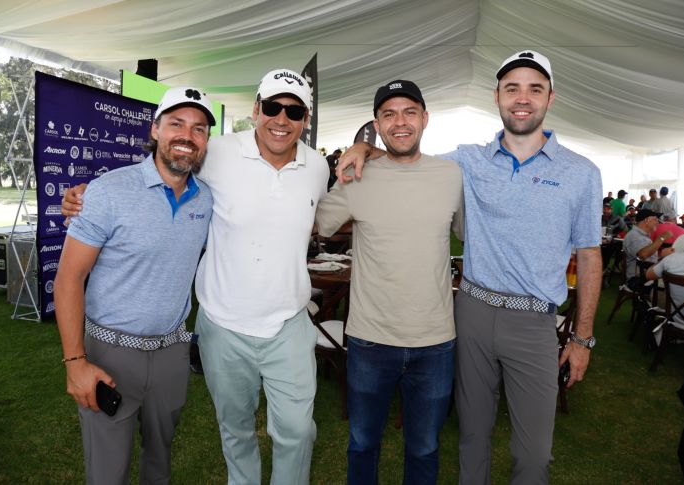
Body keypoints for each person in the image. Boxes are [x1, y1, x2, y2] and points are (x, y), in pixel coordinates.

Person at [338, 50, 603, 485]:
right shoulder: (466, 161)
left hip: (535, 321)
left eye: (534, 89)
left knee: (533, 454)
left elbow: (591, 256)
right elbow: (405, 151)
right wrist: (365, 144)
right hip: (473, 312)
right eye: (512, 88)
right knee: (471, 437)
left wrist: (583, 338)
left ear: (550, 99)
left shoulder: (581, 173)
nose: (522, 98)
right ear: (496, 96)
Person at [63, 69, 328, 484]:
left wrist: (369, 151)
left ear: (306, 119)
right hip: (205, 328)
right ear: (256, 110)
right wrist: (85, 194)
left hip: (257, 328)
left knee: (291, 432)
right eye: (273, 107)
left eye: (293, 111)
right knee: (225, 433)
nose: (282, 118)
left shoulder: (314, 168)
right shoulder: (212, 154)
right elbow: (156, 168)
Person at [54, 86, 215, 484]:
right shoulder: (108, 191)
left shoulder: (208, 198)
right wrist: (75, 363)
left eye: (198, 129)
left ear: (207, 141)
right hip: (110, 352)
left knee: (159, 462)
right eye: (176, 123)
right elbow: (68, 278)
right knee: (108, 471)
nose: (187, 135)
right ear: (155, 130)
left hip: (173, 352)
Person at [315, 80, 463, 483]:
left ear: (425, 119)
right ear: (377, 125)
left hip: (435, 341)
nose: (400, 122)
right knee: (363, 443)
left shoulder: (451, 176)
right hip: (369, 339)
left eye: (409, 112)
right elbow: (315, 223)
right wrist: (351, 157)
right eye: (389, 114)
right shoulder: (357, 177)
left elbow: (469, 234)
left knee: (426, 447)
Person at [622, 209, 673, 285]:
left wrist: (662, 257)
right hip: (639, 280)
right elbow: (643, 254)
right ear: (646, 220)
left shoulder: (640, 235)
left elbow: (648, 257)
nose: (658, 222)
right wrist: (662, 238)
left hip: (646, 276)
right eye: (655, 219)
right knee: (673, 284)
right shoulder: (635, 236)